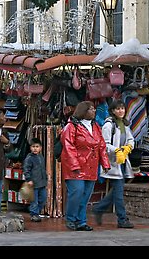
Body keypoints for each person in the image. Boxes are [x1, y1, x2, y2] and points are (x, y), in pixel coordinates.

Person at [60, 101, 111, 231]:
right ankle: (71, 219)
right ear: (83, 111)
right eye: (91, 109)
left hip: (91, 166)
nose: (94, 111)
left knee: (85, 195)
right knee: (76, 193)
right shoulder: (71, 127)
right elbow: (68, 147)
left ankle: (81, 221)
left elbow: (101, 146)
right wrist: (75, 165)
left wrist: (105, 163)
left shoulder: (96, 127)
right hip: (75, 167)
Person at [92, 99, 135, 228]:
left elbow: (131, 139)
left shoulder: (124, 124)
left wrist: (127, 148)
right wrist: (116, 150)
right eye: (118, 109)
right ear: (112, 111)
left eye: (122, 108)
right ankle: (122, 219)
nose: (121, 111)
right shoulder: (108, 125)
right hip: (112, 162)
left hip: (122, 161)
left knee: (116, 190)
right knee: (119, 192)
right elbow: (104, 144)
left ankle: (99, 209)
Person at [23, 137, 48, 222]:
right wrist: (29, 179)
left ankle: (36, 211)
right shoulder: (29, 158)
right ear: (30, 148)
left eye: (37, 147)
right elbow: (26, 169)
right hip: (33, 183)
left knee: (43, 198)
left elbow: (43, 169)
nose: (35, 148)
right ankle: (34, 214)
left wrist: (46, 178)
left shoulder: (41, 157)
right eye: (33, 146)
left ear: (40, 148)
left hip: (42, 182)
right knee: (34, 200)